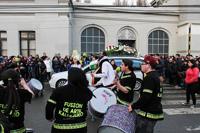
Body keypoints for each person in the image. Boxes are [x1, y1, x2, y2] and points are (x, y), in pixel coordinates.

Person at [45, 67, 93, 133]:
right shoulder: (86, 92)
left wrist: (49, 117)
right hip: (80, 128)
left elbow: (49, 106)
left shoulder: (58, 91)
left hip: (60, 128)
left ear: (69, 78)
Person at [128, 55, 164, 133]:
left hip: (148, 113)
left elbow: (145, 97)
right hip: (153, 110)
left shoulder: (149, 77)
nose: (141, 65)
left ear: (148, 65)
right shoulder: (155, 75)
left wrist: (133, 106)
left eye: (143, 63)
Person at [0, 69, 34, 133]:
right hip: (19, 129)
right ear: (17, 81)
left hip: (3, 129)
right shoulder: (22, 93)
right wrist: (24, 84)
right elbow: (32, 95)